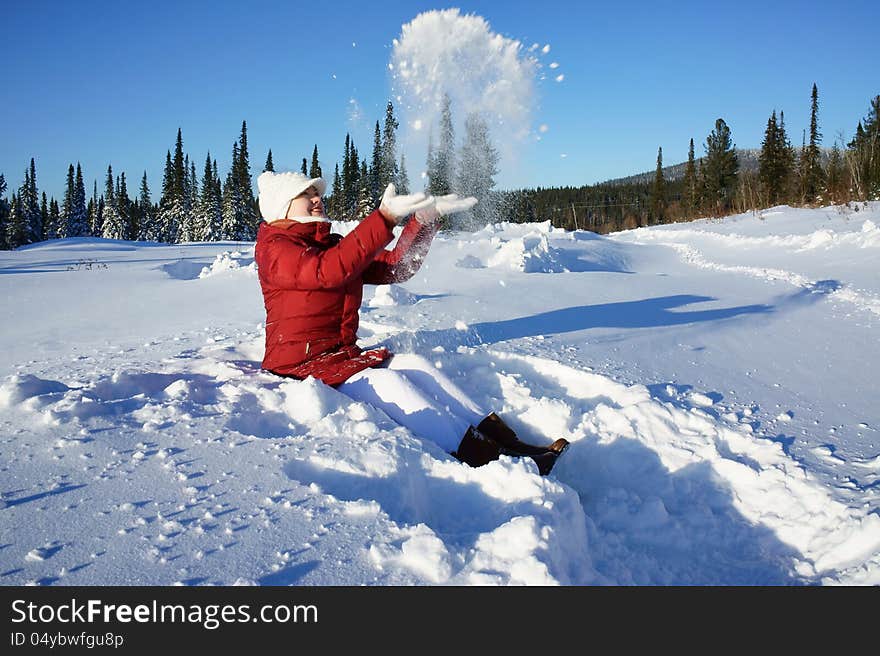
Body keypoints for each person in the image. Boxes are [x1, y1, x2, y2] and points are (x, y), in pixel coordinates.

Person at [254, 170, 567, 474]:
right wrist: (384, 219)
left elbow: (396, 267)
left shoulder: (331, 245)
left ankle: (511, 444)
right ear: (281, 206)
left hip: (340, 357)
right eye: (305, 194)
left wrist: (424, 221)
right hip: (299, 366)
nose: (317, 199)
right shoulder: (276, 249)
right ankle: (489, 460)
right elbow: (327, 271)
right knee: (388, 383)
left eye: (317, 193)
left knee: (417, 365)